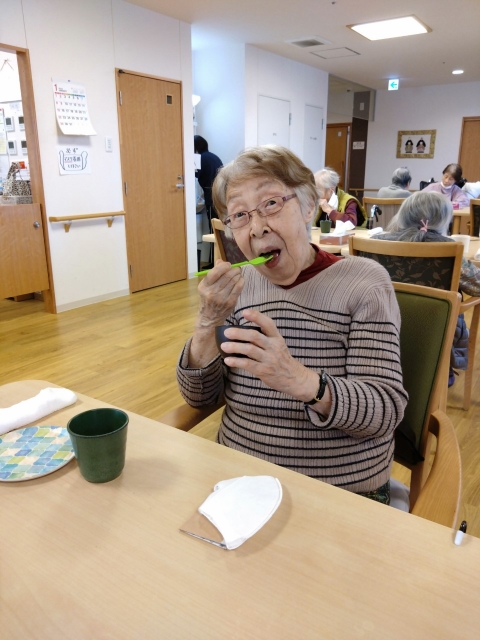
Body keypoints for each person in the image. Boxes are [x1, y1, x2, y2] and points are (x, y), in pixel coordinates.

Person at [177, 145, 407, 504]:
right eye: (240, 215)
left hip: (337, 494)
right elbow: (199, 396)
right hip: (239, 481)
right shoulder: (239, 287)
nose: (257, 228)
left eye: (271, 203)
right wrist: (207, 323)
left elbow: (383, 411)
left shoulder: (365, 283)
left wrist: (299, 380)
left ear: (308, 206)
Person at [377, 190, 480, 386]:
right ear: (443, 219)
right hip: (435, 331)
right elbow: (478, 286)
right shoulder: (449, 248)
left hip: (382, 324)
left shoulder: (376, 243)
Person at [194, 135, 223, 228]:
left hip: (211, 196)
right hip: (220, 194)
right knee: (219, 225)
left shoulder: (199, 158)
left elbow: (193, 178)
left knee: (213, 226)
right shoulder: (214, 156)